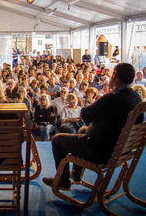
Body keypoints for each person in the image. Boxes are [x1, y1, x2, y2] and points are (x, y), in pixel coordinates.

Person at [42, 63, 143, 191]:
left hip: (102, 151)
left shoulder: (112, 99)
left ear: (115, 75)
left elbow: (86, 115)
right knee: (82, 130)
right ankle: (76, 173)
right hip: (122, 149)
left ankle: (63, 180)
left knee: (57, 140)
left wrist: (94, 103)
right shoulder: (136, 98)